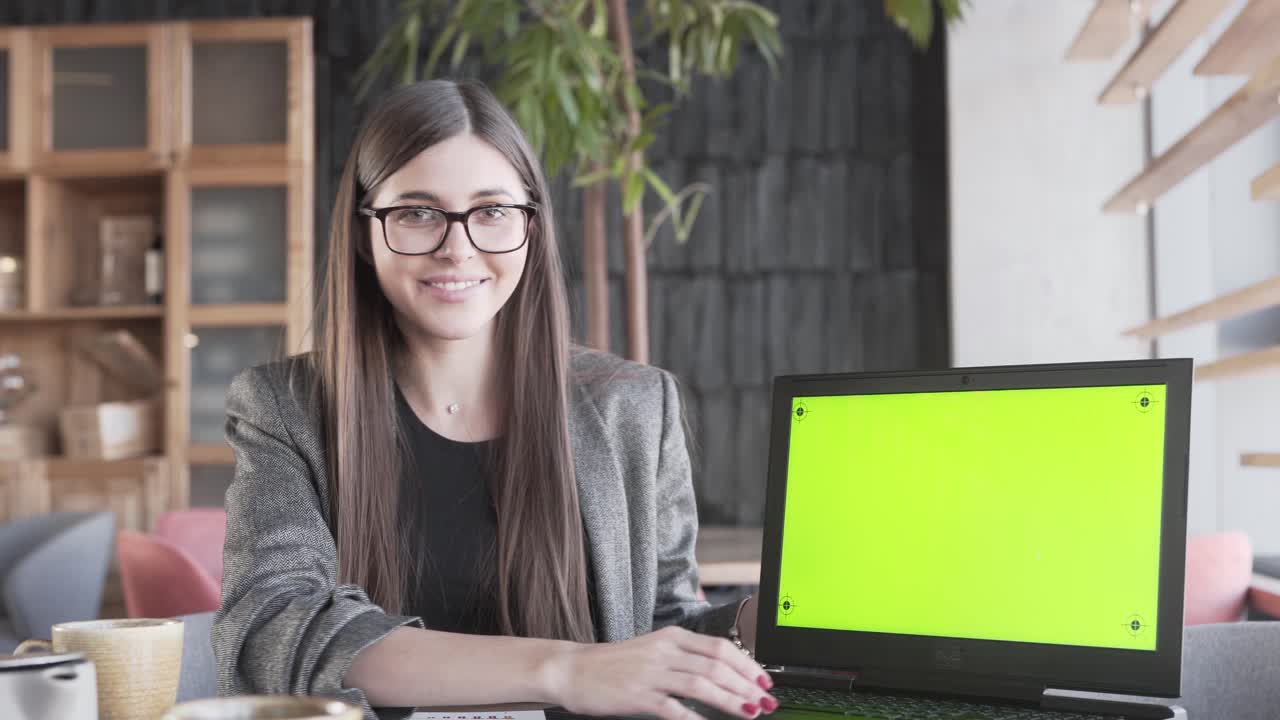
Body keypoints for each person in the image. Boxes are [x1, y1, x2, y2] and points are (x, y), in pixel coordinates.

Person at [212, 79, 776, 720]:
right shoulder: (284, 408)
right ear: (366, 234)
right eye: (417, 213)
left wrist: (780, 619)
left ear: (531, 228)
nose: (459, 247)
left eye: (492, 212)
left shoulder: (636, 406)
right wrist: (562, 670)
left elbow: (660, 628)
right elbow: (273, 629)